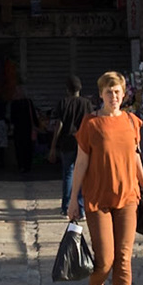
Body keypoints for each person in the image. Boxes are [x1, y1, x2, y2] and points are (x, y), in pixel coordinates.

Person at [68, 71, 143, 285]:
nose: (113, 96)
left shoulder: (132, 122)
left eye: (117, 92)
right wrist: (72, 199)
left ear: (124, 94)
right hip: (98, 199)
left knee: (124, 259)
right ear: (101, 94)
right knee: (105, 261)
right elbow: (81, 162)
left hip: (128, 197)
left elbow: (135, 157)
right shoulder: (91, 123)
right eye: (109, 92)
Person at [50, 75, 91, 212]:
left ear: (67, 89)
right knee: (83, 175)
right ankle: (81, 208)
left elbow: (59, 124)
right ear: (80, 88)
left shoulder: (63, 103)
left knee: (68, 174)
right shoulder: (86, 103)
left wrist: (53, 145)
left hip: (67, 142)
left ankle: (66, 206)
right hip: (83, 143)